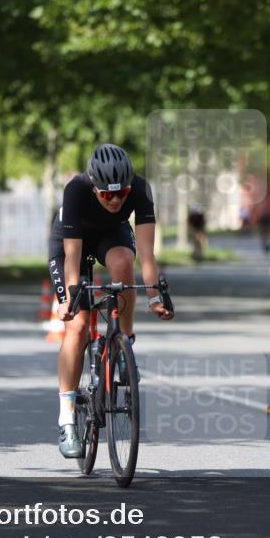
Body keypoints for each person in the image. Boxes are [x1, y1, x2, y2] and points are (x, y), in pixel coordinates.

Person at [49, 143, 173, 458]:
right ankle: (66, 421)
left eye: (122, 194)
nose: (116, 200)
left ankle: (124, 341)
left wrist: (155, 298)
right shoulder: (76, 189)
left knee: (123, 264)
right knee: (78, 327)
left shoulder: (141, 188)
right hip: (72, 243)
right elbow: (72, 258)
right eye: (107, 195)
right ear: (95, 188)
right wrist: (70, 299)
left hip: (111, 236)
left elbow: (147, 255)